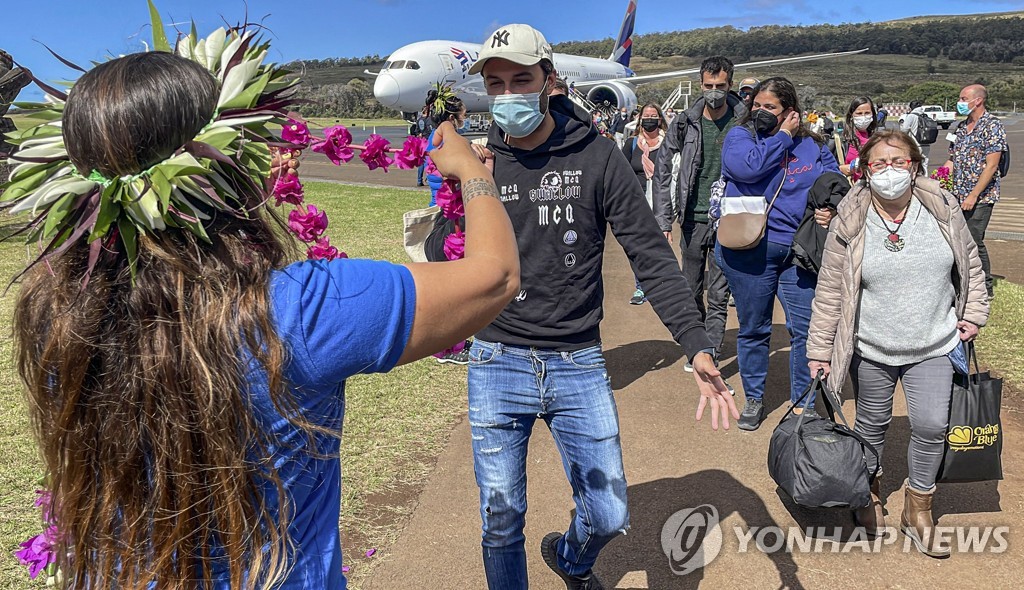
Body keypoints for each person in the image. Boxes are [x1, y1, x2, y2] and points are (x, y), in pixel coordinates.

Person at [6, 49, 520, 588]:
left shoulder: (56, 315)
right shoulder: (303, 310)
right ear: (228, 163)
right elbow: (495, 276)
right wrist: (469, 172)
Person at [465, 23, 738, 590]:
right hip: (497, 359)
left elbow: (650, 255)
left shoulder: (598, 156)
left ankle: (571, 557)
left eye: (522, 79)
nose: (509, 95)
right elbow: (457, 262)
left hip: (577, 362)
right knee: (500, 521)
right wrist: (471, 189)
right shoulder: (479, 161)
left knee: (610, 515)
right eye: (496, 84)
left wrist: (696, 342)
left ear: (550, 81)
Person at [807, 129, 988, 557]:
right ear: (865, 171)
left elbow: (971, 263)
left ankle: (918, 508)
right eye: (879, 163)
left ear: (916, 165)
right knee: (872, 424)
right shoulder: (850, 220)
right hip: (872, 347)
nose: (889, 171)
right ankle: (868, 495)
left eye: (899, 161)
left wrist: (973, 313)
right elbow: (830, 291)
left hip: (934, 342)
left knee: (930, 425)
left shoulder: (942, 208)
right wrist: (819, 351)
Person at [717, 76, 841, 431]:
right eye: (756, 106)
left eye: (769, 107)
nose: (760, 113)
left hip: (799, 252)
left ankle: (804, 404)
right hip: (751, 249)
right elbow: (748, 167)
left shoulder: (813, 145)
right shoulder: (741, 137)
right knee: (754, 327)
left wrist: (829, 205)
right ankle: (755, 398)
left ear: (791, 111)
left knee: (806, 329)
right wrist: (782, 137)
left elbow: (833, 180)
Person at [653, 56, 746, 371]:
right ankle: (697, 341)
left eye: (720, 86)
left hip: (728, 221)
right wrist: (664, 219)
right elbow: (663, 168)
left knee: (719, 293)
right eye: (708, 86)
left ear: (730, 84)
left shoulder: (743, 121)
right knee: (690, 289)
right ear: (699, 84)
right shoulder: (685, 121)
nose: (715, 92)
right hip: (692, 220)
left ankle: (710, 350)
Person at [940, 83, 1007, 299]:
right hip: (958, 194)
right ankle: (961, 281)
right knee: (958, 238)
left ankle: (984, 287)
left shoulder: (992, 126)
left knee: (974, 239)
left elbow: (992, 165)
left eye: (963, 98)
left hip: (981, 196)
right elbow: (952, 160)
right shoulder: (961, 127)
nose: (960, 103)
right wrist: (937, 178)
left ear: (977, 100)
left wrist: (974, 195)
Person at [623, 102, 668, 304]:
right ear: (640, 119)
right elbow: (621, 172)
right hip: (637, 201)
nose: (649, 119)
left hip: (660, 200)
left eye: (653, 116)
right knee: (639, 246)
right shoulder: (631, 144)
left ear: (660, 119)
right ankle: (641, 287)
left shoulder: (668, 144)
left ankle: (661, 284)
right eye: (646, 116)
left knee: (660, 244)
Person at [425, 86, 468, 206]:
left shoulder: (432, 137)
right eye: (463, 116)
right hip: (449, 207)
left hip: (436, 202)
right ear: (452, 118)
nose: (464, 120)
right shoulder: (448, 142)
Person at [837, 96, 878, 183]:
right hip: (852, 189)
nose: (863, 117)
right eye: (859, 113)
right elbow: (831, 168)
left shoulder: (878, 138)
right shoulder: (841, 140)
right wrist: (847, 168)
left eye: (867, 113)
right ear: (851, 115)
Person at [900, 100, 931, 174]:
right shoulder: (925, 115)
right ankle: (925, 178)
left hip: (916, 143)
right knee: (924, 163)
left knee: (915, 162)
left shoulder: (911, 116)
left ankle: (915, 179)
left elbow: (904, 129)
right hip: (927, 142)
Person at [415, 104, 434, 186]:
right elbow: (431, 131)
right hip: (428, 141)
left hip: (421, 141)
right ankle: (429, 178)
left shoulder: (419, 120)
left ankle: (419, 180)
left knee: (421, 162)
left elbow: (416, 131)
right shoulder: (429, 120)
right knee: (429, 161)